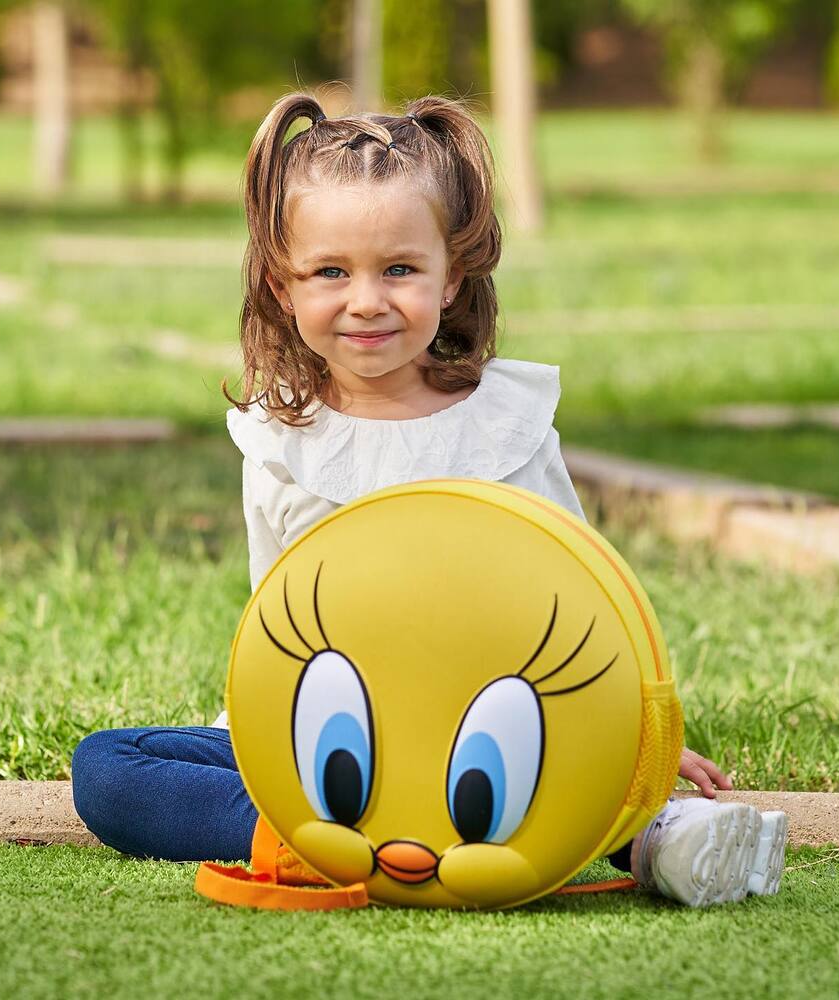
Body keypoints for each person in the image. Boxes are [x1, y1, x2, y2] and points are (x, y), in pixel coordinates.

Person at [72, 92, 786, 907]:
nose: (366, 300)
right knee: (107, 770)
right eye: (331, 272)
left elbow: (586, 605)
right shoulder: (277, 442)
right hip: (331, 749)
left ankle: (662, 835)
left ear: (452, 278)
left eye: (400, 270)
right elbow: (276, 626)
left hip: (489, 737)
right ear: (282, 285)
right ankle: (311, 832)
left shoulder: (505, 428)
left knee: (575, 778)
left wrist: (630, 743)